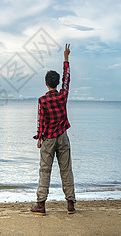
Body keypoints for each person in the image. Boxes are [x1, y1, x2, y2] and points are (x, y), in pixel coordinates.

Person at [30, 43, 76, 215]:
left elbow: (41, 120)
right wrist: (65, 59)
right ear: (56, 83)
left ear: (46, 83)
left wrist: (40, 138)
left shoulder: (43, 100)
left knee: (45, 170)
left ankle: (41, 205)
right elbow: (67, 78)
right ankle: (70, 203)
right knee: (66, 169)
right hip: (63, 136)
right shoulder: (62, 96)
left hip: (48, 139)